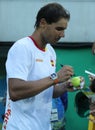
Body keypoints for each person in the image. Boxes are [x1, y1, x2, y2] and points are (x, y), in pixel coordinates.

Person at [2, 3, 75, 130]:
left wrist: (64, 86)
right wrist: (55, 77)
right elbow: (14, 91)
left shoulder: (50, 52)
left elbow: (47, 91)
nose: (63, 35)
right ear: (43, 23)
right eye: (59, 29)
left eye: (64, 30)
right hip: (19, 127)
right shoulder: (22, 48)